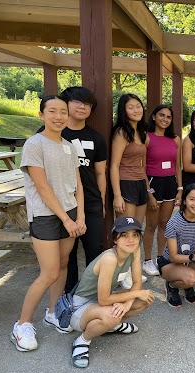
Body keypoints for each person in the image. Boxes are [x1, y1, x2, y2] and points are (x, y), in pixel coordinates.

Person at [11, 95, 86, 352]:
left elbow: (78, 185)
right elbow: (42, 187)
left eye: (63, 111)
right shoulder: (34, 144)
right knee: (50, 271)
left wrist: (80, 217)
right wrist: (66, 219)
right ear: (42, 115)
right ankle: (22, 324)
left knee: (64, 264)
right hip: (45, 215)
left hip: (70, 214)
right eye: (52, 111)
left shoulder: (70, 145)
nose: (58, 116)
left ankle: (53, 312)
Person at [69, 217, 154, 368]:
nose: (131, 239)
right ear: (115, 239)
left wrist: (127, 305)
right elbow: (103, 300)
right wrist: (134, 295)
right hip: (80, 308)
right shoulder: (109, 258)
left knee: (145, 299)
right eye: (125, 235)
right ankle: (82, 340)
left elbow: (137, 283)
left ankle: (111, 326)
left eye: (135, 234)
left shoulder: (134, 250)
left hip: (102, 302)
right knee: (113, 314)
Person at [59, 87, 107, 293]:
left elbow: (100, 174)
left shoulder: (96, 138)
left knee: (95, 251)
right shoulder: (52, 134)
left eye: (87, 104)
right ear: (66, 104)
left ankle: (89, 294)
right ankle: (68, 293)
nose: (82, 106)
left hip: (91, 202)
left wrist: (102, 203)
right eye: (77, 102)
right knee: (66, 254)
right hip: (63, 204)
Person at [110, 94, 150, 289]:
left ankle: (133, 272)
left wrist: (148, 189)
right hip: (125, 184)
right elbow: (114, 165)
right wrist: (117, 195)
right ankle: (120, 274)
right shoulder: (121, 133)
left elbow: (142, 165)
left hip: (140, 185)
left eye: (138, 106)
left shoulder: (142, 133)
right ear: (123, 111)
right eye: (131, 107)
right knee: (126, 233)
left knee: (136, 231)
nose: (136, 110)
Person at [142, 104, 183, 277]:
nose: (165, 119)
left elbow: (177, 166)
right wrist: (148, 192)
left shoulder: (175, 139)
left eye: (168, 117)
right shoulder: (146, 137)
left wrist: (180, 189)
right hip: (153, 182)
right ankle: (147, 261)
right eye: (161, 115)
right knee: (150, 224)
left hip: (170, 184)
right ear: (153, 117)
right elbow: (141, 167)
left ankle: (160, 257)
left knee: (164, 224)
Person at [157, 183, 195, 308]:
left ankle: (187, 284)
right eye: (191, 199)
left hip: (189, 261)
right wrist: (193, 257)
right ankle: (172, 285)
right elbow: (173, 257)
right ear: (184, 201)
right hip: (169, 263)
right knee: (192, 278)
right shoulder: (174, 222)